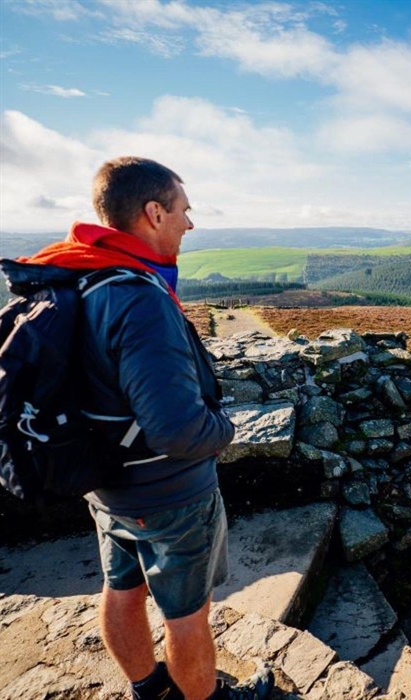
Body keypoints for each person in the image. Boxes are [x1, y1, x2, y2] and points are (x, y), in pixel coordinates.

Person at [21, 157, 272, 700]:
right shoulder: (138, 297)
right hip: (170, 493)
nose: (190, 223)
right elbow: (177, 429)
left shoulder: (78, 275)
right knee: (187, 614)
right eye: (184, 210)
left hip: (107, 482)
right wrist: (225, 430)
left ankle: (148, 688)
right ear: (153, 212)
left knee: (121, 586)